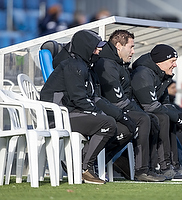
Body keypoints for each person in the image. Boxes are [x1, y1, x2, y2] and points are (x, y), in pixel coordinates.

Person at [40, 29, 135, 184]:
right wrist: (103, 115)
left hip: (72, 112)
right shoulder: (73, 65)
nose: (99, 50)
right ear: (85, 47)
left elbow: (95, 98)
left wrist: (120, 115)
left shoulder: (87, 66)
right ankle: (84, 168)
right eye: (96, 46)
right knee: (107, 123)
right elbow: (80, 99)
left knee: (124, 128)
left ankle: (80, 163)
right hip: (58, 117)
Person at [131, 44, 182, 181]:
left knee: (169, 118)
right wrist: (176, 117)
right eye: (172, 61)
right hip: (136, 116)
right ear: (160, 62)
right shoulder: (143, 73)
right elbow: (150, 105)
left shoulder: (161, 74)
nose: (175, 65)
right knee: (164, 118)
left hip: (148, 116)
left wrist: (180, 116)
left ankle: (176, 166)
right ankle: (168, 168)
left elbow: (166, 104)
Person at [93, 29, 166, 182]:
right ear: (119, 46)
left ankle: (151, 167)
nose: (133, 51)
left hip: (115, 109)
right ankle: (142, 170)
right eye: (131, 47)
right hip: (105, 110)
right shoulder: (106, 64)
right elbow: (117, 100)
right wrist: (139, 112)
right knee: (143, 119)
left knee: (152, 119)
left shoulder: (119, 64)